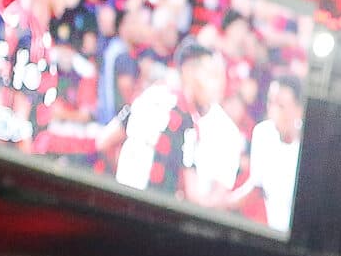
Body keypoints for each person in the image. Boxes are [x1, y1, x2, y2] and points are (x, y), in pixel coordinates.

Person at [108, 39, 245, 207]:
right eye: (210, 75)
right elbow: (106, 140)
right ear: (189, 72)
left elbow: (105, 141)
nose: (217, 85)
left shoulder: (227, 132)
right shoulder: (173, 110)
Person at [247, 75, 303, 231]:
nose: (272, 111)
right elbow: (255, 185)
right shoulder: (262, 133)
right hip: (269, 231)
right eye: (270, 102)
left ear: (298, 110)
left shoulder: (308, 147)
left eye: (281, 106)